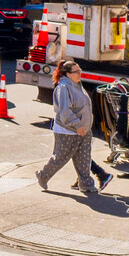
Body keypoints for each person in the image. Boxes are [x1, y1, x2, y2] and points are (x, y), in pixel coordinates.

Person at [37, 59, 112, 196]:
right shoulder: (63, 87)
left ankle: (86, 185)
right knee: (61, 157)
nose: (80, 74)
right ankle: (43, 175)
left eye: (80, 71)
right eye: (76, 72)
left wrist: (85, 126)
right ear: (67, 74)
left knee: (84, 158)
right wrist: (77, 125)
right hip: (68, 131)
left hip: (83, 130)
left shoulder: (77, 84)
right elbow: (65, 111)